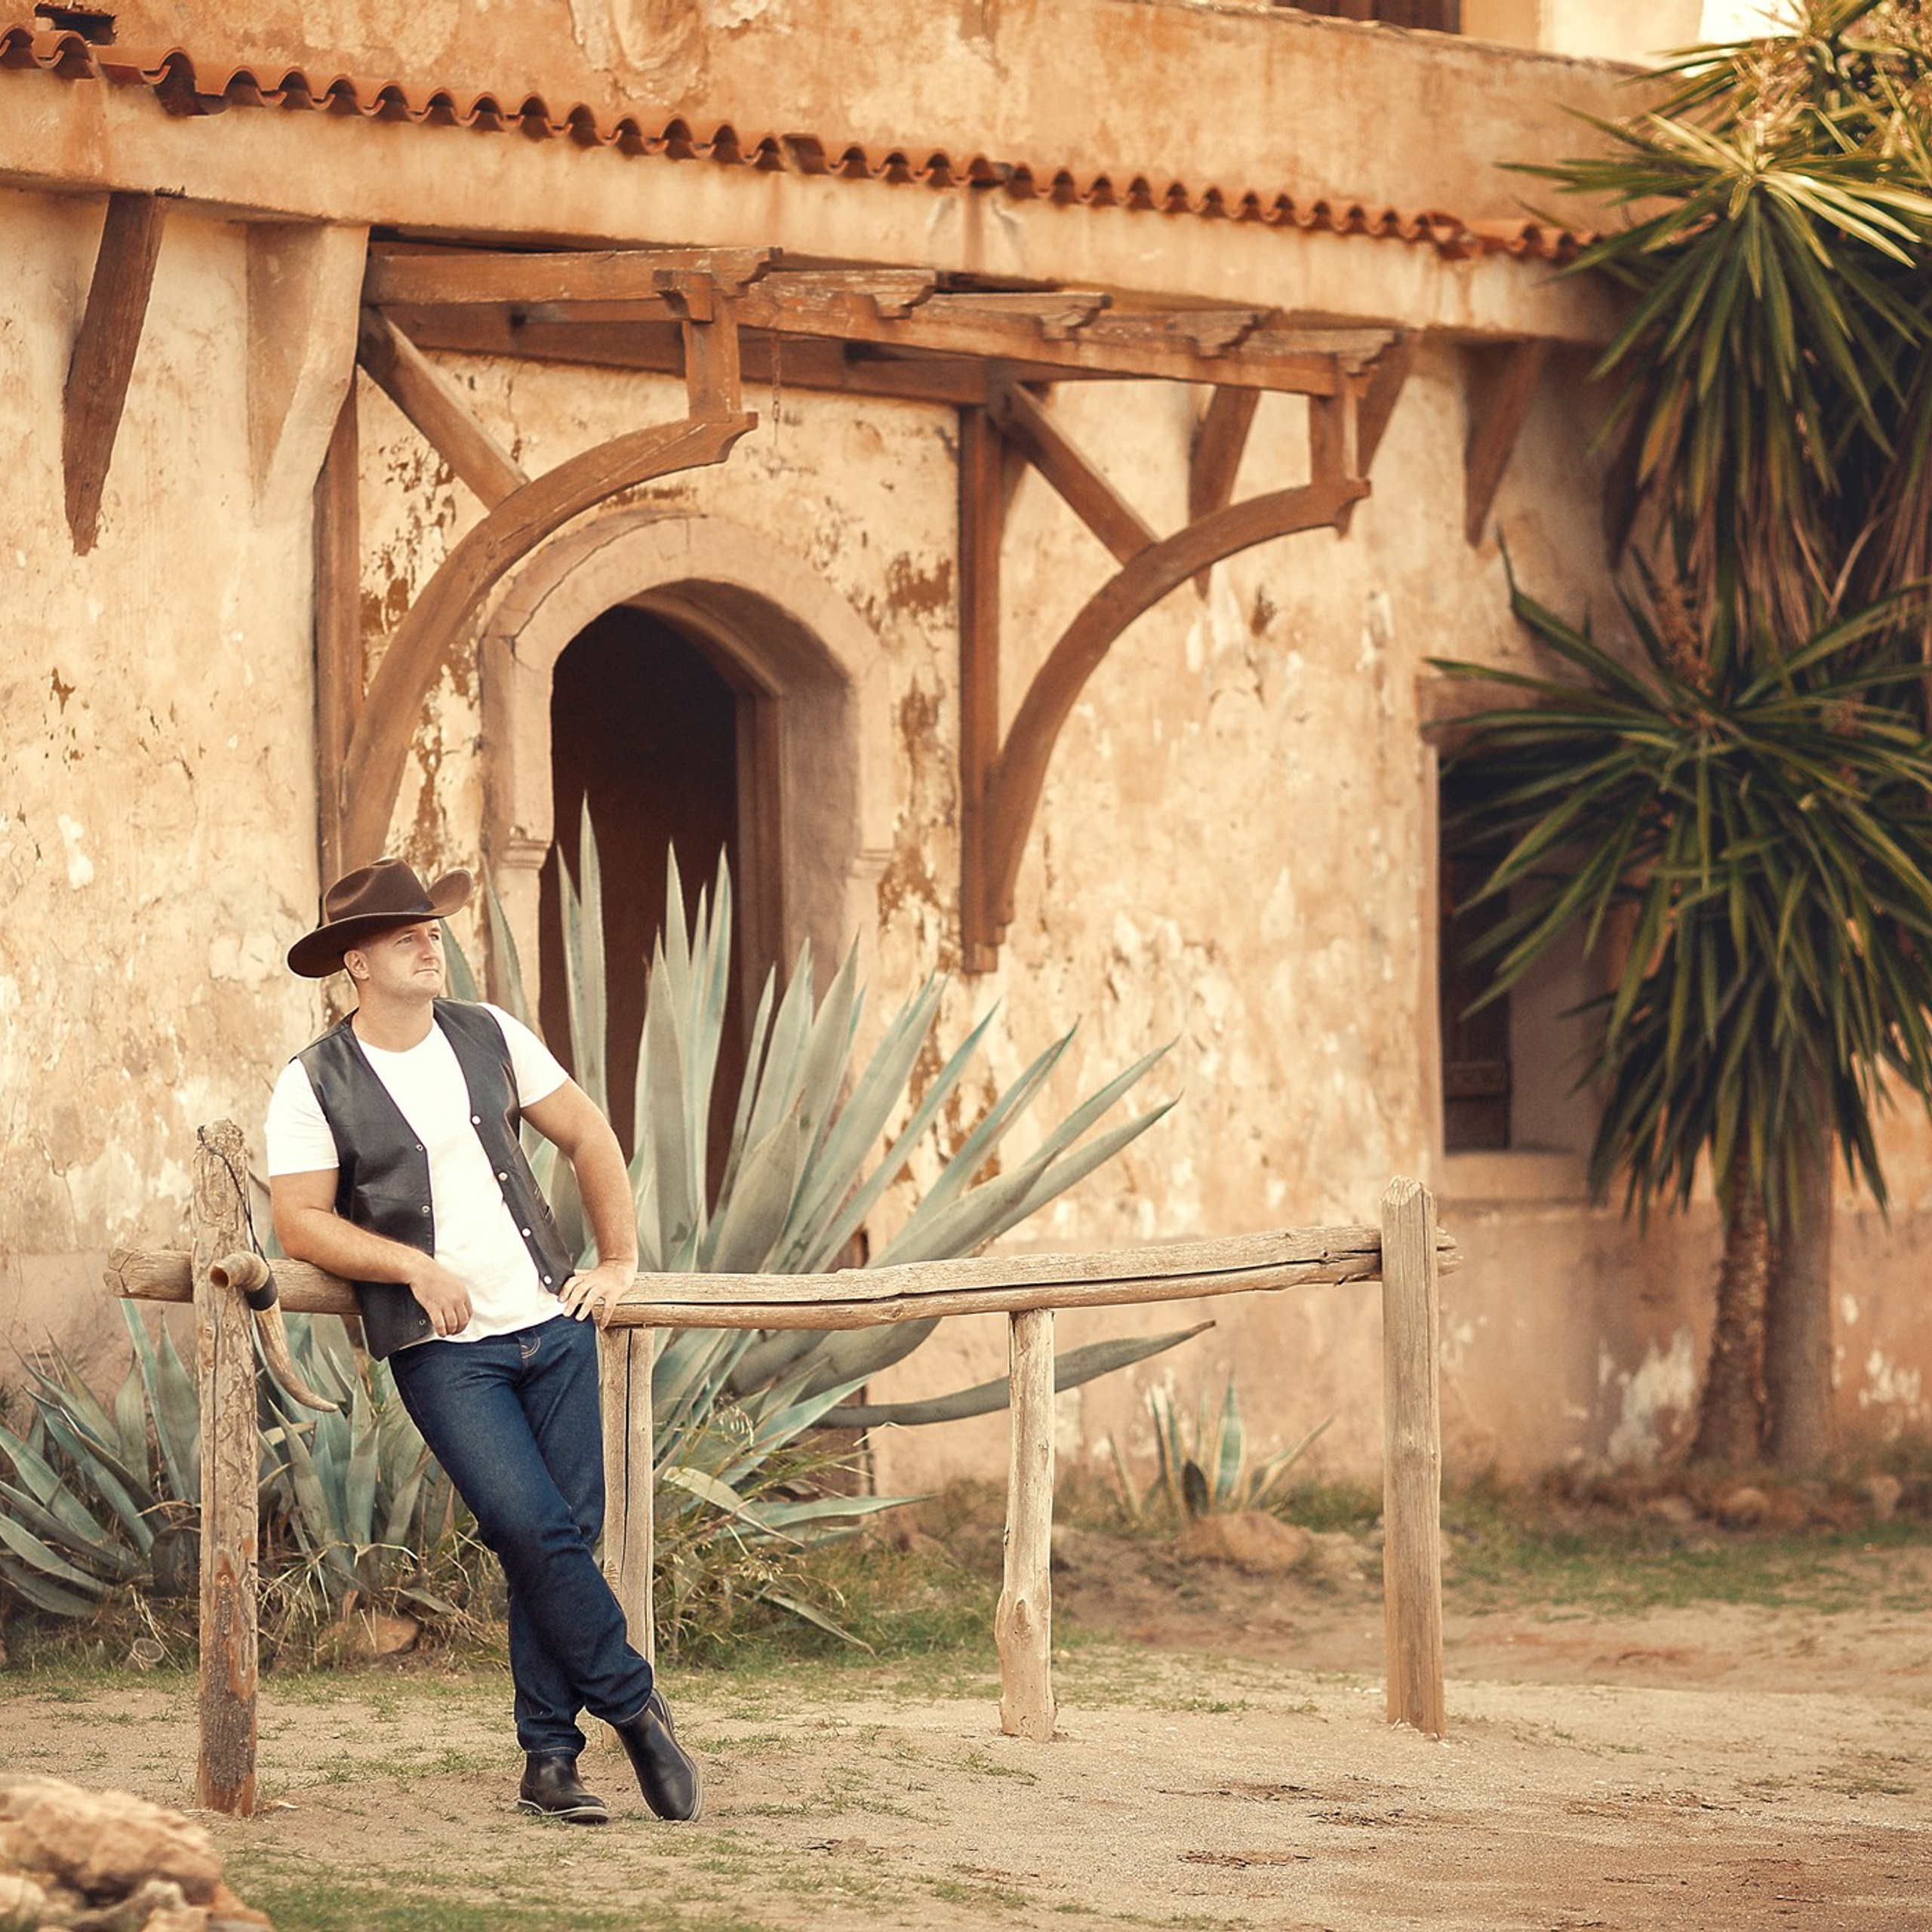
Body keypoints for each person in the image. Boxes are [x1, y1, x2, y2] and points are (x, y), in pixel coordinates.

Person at [265, 856, 701, 1826]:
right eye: (407, 934)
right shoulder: (312, 1083)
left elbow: (588, 1134)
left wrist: (618, 1259)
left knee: (558, 1542)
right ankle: (636, 1710)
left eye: (433, 928)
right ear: (356, 964)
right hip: (444, 1351)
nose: (433, 943)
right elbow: (299, 1224)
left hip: (553, 1325)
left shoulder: (489, 1033)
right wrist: (412, 1268)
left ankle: (550, 1763)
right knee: (531, 1528)